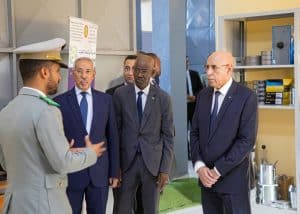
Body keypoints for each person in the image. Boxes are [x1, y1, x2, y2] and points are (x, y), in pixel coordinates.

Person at [0, 38, 105, 214]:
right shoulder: (46, 110)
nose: (59, 77)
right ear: (44, 72)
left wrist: (59, 151)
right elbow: (62, 163)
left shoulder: (6, 111)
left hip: (15, 205)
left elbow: (5, 161)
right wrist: (91, 153)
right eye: (56, 70)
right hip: (44, 205)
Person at [190, 51, 258, 214]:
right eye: (207, 67)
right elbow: (194, 133)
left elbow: (246, 141)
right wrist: (199, 167)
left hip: (233, 182)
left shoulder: (246, 97)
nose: (208, 73)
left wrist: (217, 170)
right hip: (206, 181)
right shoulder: (203, 95)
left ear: (229, 69)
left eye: (214, 68)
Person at [54, 57, 120, 214]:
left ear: (94, 74)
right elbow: (56, 138)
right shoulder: (59, 102)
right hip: (71, 173)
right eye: (79, 71)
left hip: (99, 172)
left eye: (88, 71)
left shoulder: (106, 100)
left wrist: (114, 171)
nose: (84, 76)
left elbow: (113, 137)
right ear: (72, 74)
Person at [113, 53, 174, 214]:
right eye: (136, 70)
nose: (139, 74)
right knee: (122, 209)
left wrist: (165, 169)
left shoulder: (163, 99)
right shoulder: (120, 95)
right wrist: (115, 166)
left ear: (152, 73)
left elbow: (168, 136)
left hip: (152, 166)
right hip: (126, 164)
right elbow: (116, 133)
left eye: (144, 71)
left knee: (150, 209)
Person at [186, 56, 203, 159]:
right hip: (182, 107)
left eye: (187, 61)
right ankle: (186, 154)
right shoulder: (176, 75)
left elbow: (201, 89)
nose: (186, 63)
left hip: (194, 105)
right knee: (183, 131)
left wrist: (195, 97)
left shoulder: (194, 74)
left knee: (195, 131)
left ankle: (196, 153)